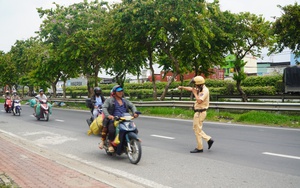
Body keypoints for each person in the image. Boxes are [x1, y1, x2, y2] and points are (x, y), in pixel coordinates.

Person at [178, 76, 214, 153]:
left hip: (200, 112)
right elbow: (191, 89)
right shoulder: (200, 88)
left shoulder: (204, 90)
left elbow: (199, 101)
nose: (195, 86)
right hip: (198, 112)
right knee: (196, 129)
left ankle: (200, 147)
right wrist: (182, 87)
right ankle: (208, 139)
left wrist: (194, 93)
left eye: (196, 85)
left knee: (197, 130)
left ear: (199, 84)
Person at [100, 85, 139, 152]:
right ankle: (110, 145)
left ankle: (131, 141)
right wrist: (109, 115)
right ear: (115, 93)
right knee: (112, 130)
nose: (121, 92)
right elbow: (104, 108)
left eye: (121, 91)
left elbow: (132, 106)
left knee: (135, 129)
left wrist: (135, 112)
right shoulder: (109, 100)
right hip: (114, 119)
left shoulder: (125, 101)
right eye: (119, 91)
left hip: (125, 119)